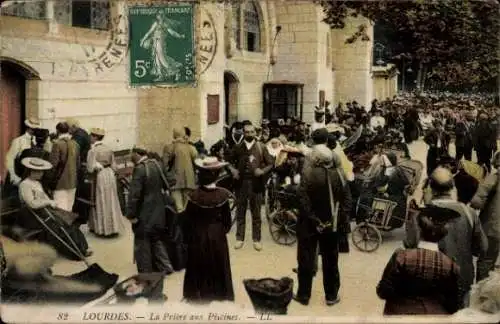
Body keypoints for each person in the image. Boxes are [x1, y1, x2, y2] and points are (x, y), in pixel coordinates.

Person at [378, 209, 465, 315]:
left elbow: (383, 291)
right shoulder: (451, 266)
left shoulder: (401, 257)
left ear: (419, 231)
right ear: (443, 235)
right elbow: (454, 305)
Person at [294, 145, 351, 306]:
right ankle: (331, 296)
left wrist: (315, 221)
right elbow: (347, 200)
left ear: (316, 159)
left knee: (305, 260)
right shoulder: (339, 174)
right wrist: (338, 218)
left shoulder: (308, 174)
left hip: (309, 225)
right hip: (331, 225)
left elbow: (302, 202)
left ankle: (304, 295)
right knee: (331, 260)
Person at [182, 156, 234, 304]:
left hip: (198, 236)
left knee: (198, 265)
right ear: (217, 176)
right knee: (218, 265)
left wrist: (191, 236)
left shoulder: (194, 196)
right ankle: (219, 294)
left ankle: (199, 295)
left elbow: (187, 221)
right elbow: (227, 223)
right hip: (217, 236)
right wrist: (218, 231)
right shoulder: (223, 195)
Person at [17, 157, 92, 259]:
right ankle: (75, 253)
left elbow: (44, 197)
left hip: (43, 210)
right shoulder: (24, 185)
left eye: (42, 172)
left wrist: (52, 202)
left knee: (68, 220)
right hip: (32, 214)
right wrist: (48, 202)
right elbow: (31, 204)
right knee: (58, 226)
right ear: (31, 171)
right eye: (39, 172)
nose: (42, 174)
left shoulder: (37, 183)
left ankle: (81, 249)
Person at [126, 148, 173, 275]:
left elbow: (134, 195)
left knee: (142, 242)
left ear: (137, 154)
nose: (130, 156)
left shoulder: (140, 169)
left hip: (144, 214)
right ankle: (166, 266)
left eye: (132, 153)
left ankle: (145, 272)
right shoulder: (157, 164)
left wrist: (131, 215)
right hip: (159, 211)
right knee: (156, 239)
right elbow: (168, 183)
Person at [228, 123, 274, 251]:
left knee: (256, 213)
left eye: (252, 132)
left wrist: (262, 171)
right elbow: (228, 161)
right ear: (243, 133)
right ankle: (239, 238)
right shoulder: (237, 147)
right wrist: (233, 170)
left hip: (256, 184)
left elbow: (271, 163)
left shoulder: (261, 147)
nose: (249, 134)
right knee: (240, 211)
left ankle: (256, 239)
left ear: (255, 133)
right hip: (241, 184)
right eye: (247, 132)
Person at [86, 128, 124, 237]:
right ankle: (112, 227)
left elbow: (90, 167)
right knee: (110, 199)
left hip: (101, 175)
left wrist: (97, 166)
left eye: (91, 135)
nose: (90, 137)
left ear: (95, 137)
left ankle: (102, 228)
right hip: (110, 174)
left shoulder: (93, 151)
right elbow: (114, 165)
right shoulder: (108, 148)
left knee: (100, 199)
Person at [470, 151, 500, 282]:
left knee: (486, 261)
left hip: (492, 228)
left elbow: (476, 202)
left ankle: (482, 293)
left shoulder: (494, 178)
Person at [162, 128, 198, 213]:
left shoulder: (168, 147)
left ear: (174, 135)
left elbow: (164, 165)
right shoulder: (190, 148)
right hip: (189, 181)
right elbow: (197, 160)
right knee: (188, 208)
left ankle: (179, 225)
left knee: (179, 209)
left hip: (174, 182)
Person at [3, 118, 41, 197]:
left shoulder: (36, 142)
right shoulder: (18, 141)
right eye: (33, 128)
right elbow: (9, 159)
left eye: (36, 129)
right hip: (18, 176)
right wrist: (14, 177)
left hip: (29, 179)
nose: (35, 131)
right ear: (28, 128)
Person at [47, 122, 80, 212]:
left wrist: (49, 181)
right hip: (73, 182)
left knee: (60, 210)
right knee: (69, 209)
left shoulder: (57, 144)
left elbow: (52, 165)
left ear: (57, 131)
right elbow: (78, 164)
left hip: (60, 182)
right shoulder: (75, 144)